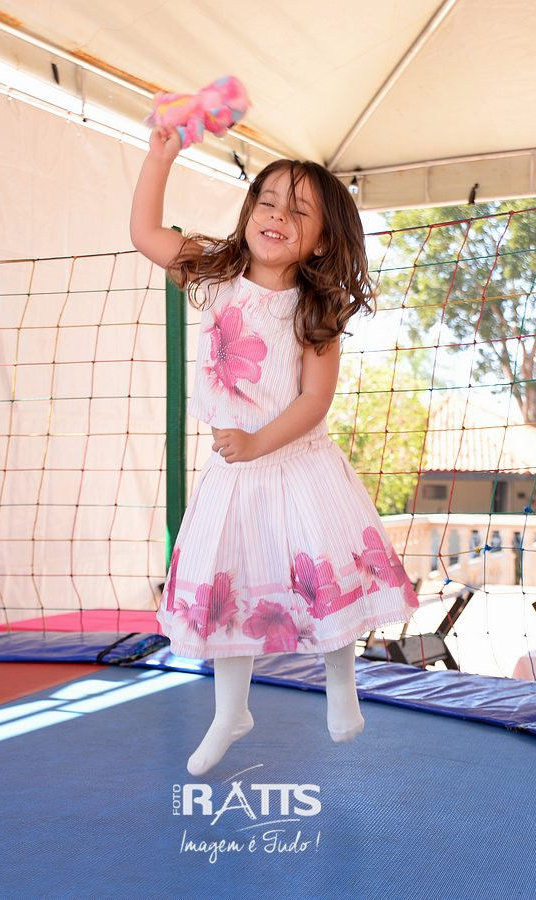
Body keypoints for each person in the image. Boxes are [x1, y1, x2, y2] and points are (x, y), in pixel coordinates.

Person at [130, 126, 419, 777]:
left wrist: (258, 441)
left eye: (298, 212)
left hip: (297, 464)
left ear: (322, 239)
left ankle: (340, 685)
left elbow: (314, 400)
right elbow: (145, 232)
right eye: (268, 201)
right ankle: (230, 712)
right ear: (249, 209)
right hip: (235, 472)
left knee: (324, 578)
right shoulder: (217, 276)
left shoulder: (315, 308)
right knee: (229, 585)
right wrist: (159, 156)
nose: (278, 217)